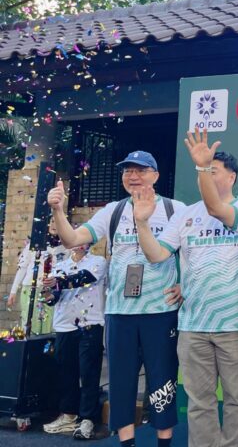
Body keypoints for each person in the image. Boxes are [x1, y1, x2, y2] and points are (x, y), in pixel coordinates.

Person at [48, 151, 184, 447]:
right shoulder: (113, 210)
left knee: (162, 381)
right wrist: (58, 210)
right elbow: (72, 239)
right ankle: (126, 443)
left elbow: (195, 257)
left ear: (156, 175)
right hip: (120, 313)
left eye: (140, 170)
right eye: (127, 171)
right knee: (121, 384)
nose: (132, 176)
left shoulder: (176, 210)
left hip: (160, 312)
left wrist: (185, 286)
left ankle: (164, 442)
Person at [134, 148, 238, 447]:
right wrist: (142, 223)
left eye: (212, 171)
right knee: (200, 401)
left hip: (235, 325)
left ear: (232, 176)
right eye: (202, 171)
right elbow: (157, 254)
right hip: (193, 326)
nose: (206, 176)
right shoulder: (187, 215)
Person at [41, 241, 107, 440]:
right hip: (64, 325)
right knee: (66, 372)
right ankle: (69, 414)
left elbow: (85, 278)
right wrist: (48, 294)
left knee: (89, 372)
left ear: (90, 243)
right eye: (74, 240)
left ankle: (88, 418)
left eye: (83, 240)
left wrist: (57, 282)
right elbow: (54, 297)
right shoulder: (60, 266)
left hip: (90, 323)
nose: (78, 244)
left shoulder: (99, 261)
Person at [7, 233, 69, 335]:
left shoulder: (65, 247)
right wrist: (13, 291)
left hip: (51, 290)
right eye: (51, 221)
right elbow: (22, 268)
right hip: (31, 287)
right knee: (30, 323)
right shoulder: (34, 244)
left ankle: (45, 350)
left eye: (56, 222)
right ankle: (29, 349)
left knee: (48, 325)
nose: (54, 225)